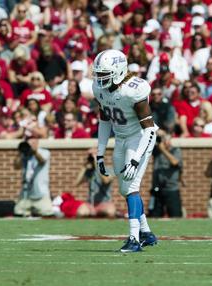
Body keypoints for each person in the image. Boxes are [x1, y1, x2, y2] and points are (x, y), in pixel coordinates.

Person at [92, 49, 158, 253]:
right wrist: (100, 152)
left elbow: (149, 129)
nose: (101, 79)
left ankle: (134, 239)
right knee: (125, 189)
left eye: (105, 74)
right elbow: (104, 120)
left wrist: (137, 159)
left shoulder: (133, 90)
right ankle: (146, 233)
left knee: (131, 188)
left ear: (119, 71)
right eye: (99, 74)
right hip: (121, 138)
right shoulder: (100, 89)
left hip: (139, 138)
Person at [13, 138, 53, 217]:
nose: (30, 145)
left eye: (33, 143)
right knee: (18, 212)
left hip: (41, 192)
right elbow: (16, 166)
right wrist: (20, 152)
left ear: (37, 143)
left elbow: (42, 161)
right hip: (26, 193)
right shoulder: (24, 154)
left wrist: (35, 152)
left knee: (47, 214)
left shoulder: (45, 152)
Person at [148, 132, 183, 218]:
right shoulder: (156, 151)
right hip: (157, 189)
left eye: (166, 140)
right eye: (163, 140)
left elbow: (175, 162)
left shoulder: (176, 151)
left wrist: (163, 150)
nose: (165, 142)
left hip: (172, 189)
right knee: (154, 216)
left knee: (175, 216)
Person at [75, 148, 116, 217]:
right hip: (91, 203)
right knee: (81, 212)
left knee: (110, 212)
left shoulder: (109, 170)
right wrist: (84, 167)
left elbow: (105, 180)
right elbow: (76, 183)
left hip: (104, 203)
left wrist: (98, 165)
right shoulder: (89, 172)